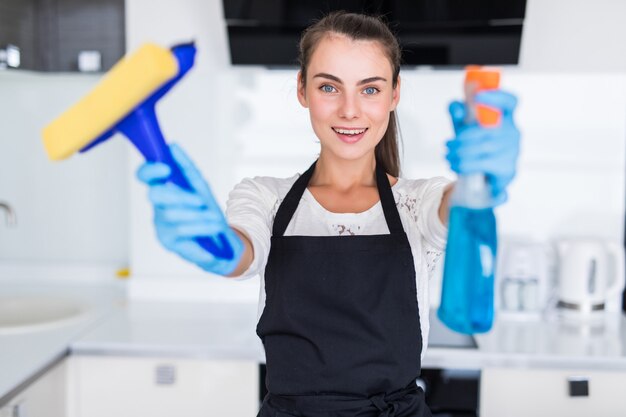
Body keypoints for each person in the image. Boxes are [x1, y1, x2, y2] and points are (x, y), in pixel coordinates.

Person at [137, 11, 520, 417]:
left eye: (370, 90)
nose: (350, 111)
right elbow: (242, 250)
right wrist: (211, 242)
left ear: (394, 94)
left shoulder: (417, 201)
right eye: (329, 87)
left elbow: (450, 208)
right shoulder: (265, 197)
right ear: (302, 89)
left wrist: (482, 182)